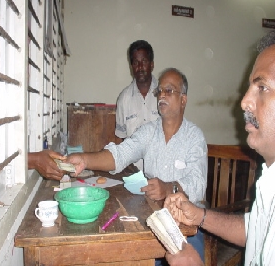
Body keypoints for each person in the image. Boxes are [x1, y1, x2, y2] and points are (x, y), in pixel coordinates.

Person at [66, 67, 208, 262]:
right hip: (152, 217)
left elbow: (198, 184)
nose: (162, 96)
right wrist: (85, 159)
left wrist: (169, 188)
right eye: (160, 91)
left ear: (183, 99)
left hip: (186, 224)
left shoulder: (194, 137)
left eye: (169, 90)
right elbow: (121, 154)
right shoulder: (148, 131)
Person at [164, 30, 275, 266]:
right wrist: (199, 215)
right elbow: (254, 229)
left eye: (262, 87)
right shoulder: (269, 176)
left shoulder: (194, 135)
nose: (244, 101)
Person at [115, 40, 160, 171]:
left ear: (152, 65)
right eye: (135, 62)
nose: (140, 67)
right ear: (131, 67)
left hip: (162, 171)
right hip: (134, 172)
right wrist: (125, 167)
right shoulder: (124, 99)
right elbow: (120, 138)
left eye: (144, 61)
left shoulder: (165, 94)